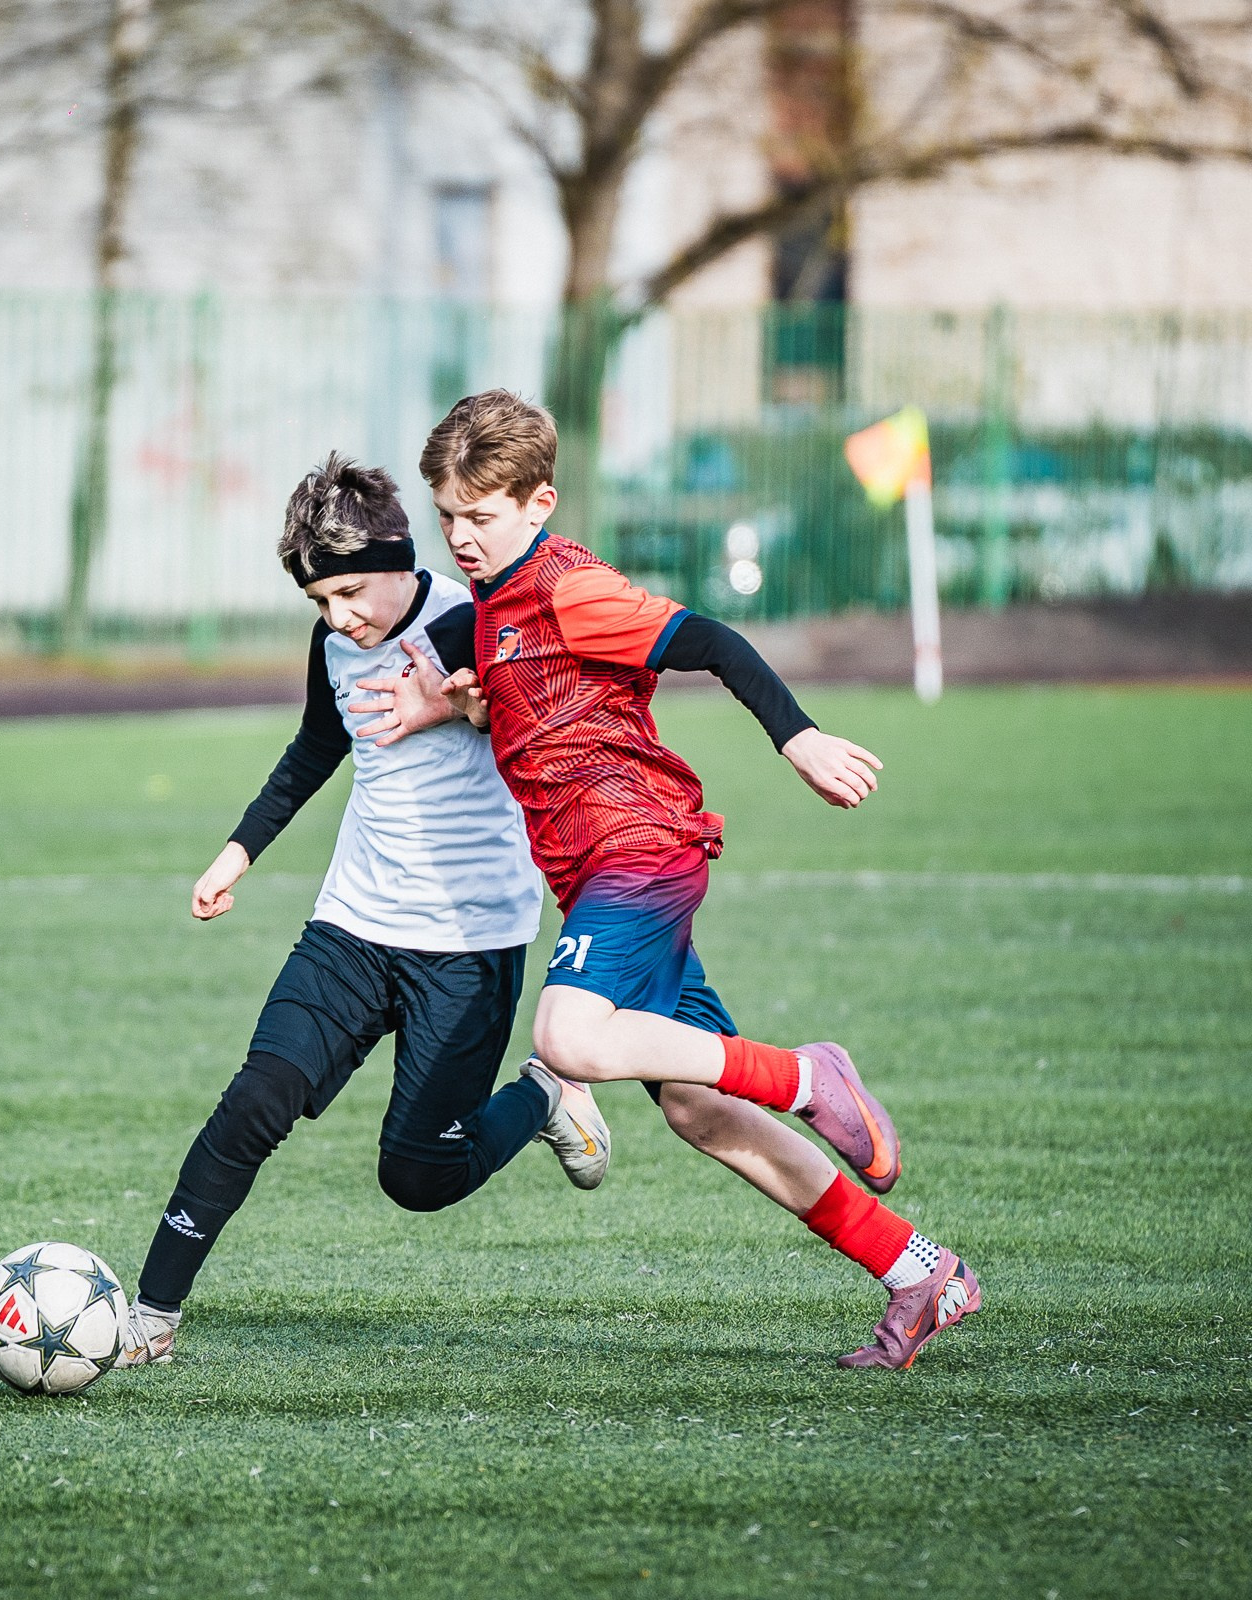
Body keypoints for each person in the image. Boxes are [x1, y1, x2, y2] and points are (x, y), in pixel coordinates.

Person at [375, 389, 981, 1369]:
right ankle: (920, 1270)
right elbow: (506, 683)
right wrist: (441, 703)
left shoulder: (571, 589)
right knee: (700, 1108)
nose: (461, 537)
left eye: (480, 516)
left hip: (640, 850)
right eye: (447, 517)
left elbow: (713, 641)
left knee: (567, 1037)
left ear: (539, 503)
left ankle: (809, 1075)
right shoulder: (491, 605)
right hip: (598, 875)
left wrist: (799, 737)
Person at [114, 453, 611, 1368]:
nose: (338, 617)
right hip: (352, 925)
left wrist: (473, 713)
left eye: (348, 592)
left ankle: (545, 1092)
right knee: (253, 1102)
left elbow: (554, 726)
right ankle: (151, 1316)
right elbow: (317, 745)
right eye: (318, 601)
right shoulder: (335, 644)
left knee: (418, 1176)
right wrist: (236, 853)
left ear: (400, 558)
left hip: (469, 944)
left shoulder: (480, 624)